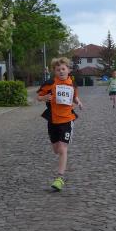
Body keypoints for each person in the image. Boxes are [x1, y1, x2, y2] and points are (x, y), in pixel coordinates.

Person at [37, 57, 83, 191]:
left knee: (63, 149)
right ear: (54, 71)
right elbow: (38, 97)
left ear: (68, 70)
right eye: (58, 70)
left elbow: (75, 96)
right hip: (53, 120)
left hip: (67, 120)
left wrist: (78, 102)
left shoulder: (72, 84)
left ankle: (60, 178)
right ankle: (60, 171)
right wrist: (44, 97)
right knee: (56, 149)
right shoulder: (50, 83)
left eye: (63, 69)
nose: (61, 71)